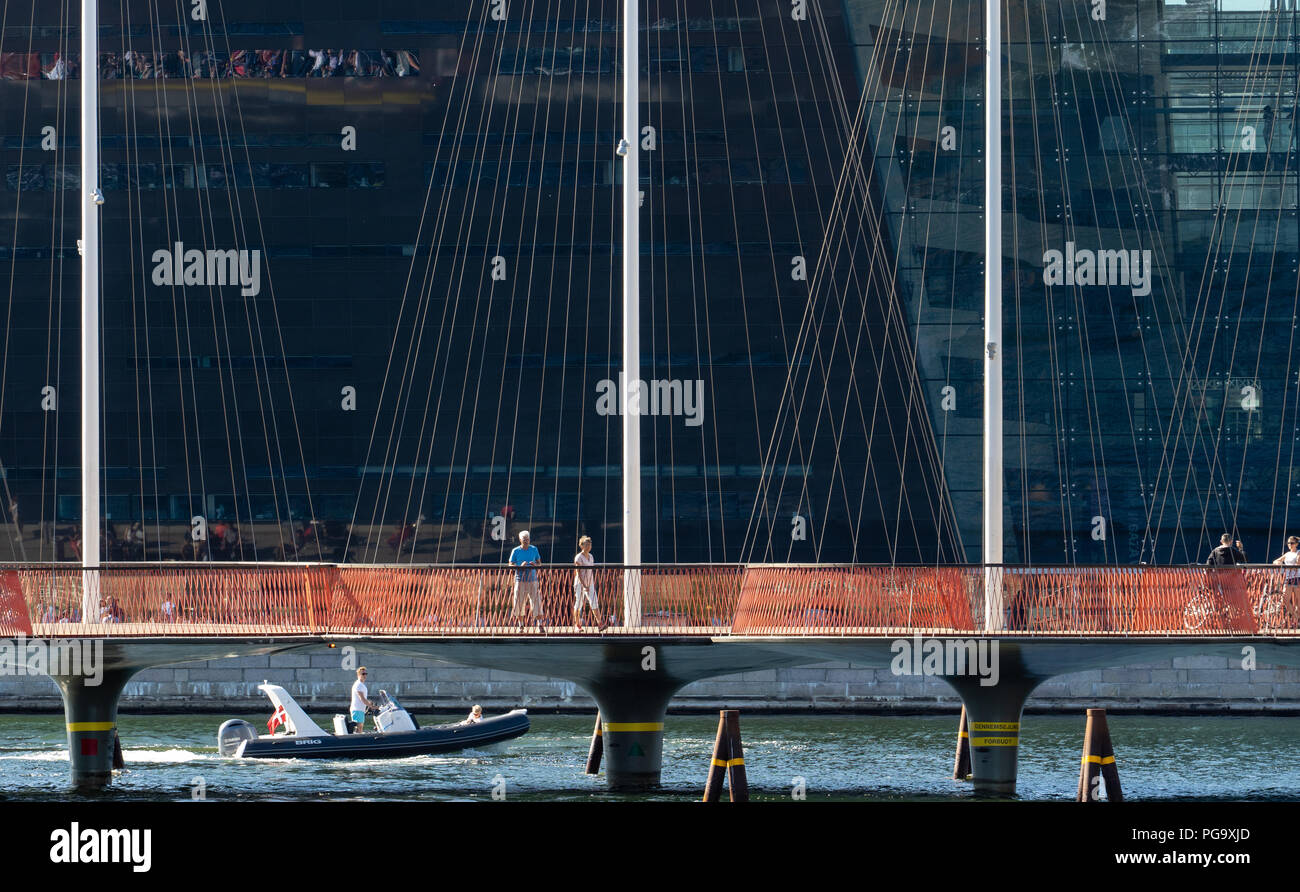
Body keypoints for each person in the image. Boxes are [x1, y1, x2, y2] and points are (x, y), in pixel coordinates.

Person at [509, 530, 544, 632]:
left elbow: (539, 564)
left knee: (536, 601)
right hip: (520, 580)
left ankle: (540, 625)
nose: (526, 541)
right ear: (520, 540)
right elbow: (510, 565)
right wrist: (520, 566)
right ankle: (521, 626)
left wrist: (535, 565)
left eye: (527, 539)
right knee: (519, 602)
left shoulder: (534, 549)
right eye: (524, 539)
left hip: (533, 580)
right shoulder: (515, 551)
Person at [573, 535, 606, 631]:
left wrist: (590, 584)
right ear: (581, 546)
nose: (588, 546)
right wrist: (584, 585)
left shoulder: (591, 557)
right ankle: (577, 625)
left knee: (594, 602)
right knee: (579, 604)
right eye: (586, 544)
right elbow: (578, 573)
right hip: (580, 583)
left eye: (590, 544)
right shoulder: (578, 557)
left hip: (590, 583)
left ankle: (600, 624)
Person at [350, 667, 374, 734]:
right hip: (357, 709)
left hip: (360, 710)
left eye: (366, 674)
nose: (365, 675)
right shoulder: (358, 685)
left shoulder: (361, 685)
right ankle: (356, 742)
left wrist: (369, 703)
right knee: (359, 728)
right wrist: (372, 706)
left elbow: (363, 699)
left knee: (360, 728)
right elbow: (362, 699)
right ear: (358, 674)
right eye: (363, 674)